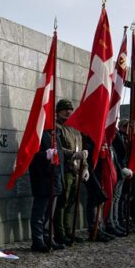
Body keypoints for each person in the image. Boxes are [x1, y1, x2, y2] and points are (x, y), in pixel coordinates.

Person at [52, 99, 87, 247]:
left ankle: (68, 232)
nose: (68, 112)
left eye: (70, 109)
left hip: (76, 170)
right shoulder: (56, 127)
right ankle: (59, 234)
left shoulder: (75, 129)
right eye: (65, 109)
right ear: (58, 111)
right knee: (62, 202)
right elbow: (59, 148)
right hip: (65, 169)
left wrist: (85, 167)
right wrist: (72, 154)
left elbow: (81, 150)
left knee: (71, 202)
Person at [28, 127, 64, 252]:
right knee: (39, 214)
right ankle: (38, 241)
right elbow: (30, 155)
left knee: (50, 215)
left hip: (55, 180)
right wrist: (45, 155)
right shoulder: (39, 133)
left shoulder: (55, 134)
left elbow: (60, 156)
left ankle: (48, 239)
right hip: (43, 180)